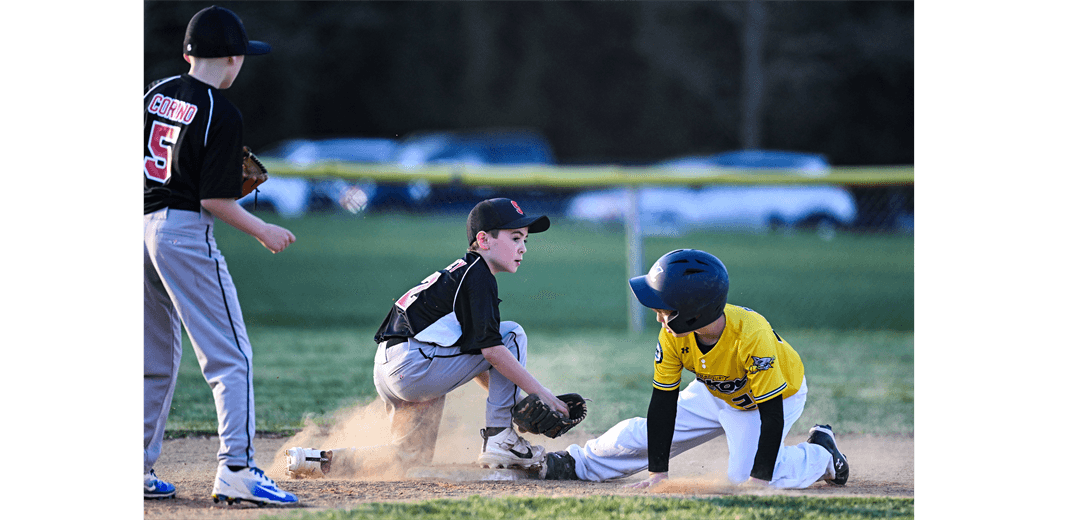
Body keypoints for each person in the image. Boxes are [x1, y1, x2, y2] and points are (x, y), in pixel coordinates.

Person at [285, 198, 569, 478]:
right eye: (515, 237)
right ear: (484, 240)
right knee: (511, 334)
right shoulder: (479, 276)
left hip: (393, 367)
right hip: (415, 365)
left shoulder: (461, 273)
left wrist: (513, 399)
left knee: (409, 456)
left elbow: (474, 359)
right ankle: (501, 439)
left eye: (525, 240)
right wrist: (542, 395)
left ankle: (316, 461)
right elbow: (492, 353)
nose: (523, 247)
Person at [142, 6, 299, 505]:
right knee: (231, 356)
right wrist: (263, 230)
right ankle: (237, 469)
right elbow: (213, 199)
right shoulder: (220, 112)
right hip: (182, 234)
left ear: (187, 53)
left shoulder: (155, 93)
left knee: (154, 358)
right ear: (232, 58)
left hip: (139, 228)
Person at [538, 249, 849, 489]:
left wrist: (759, 481)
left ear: (692, 314)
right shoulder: (674, 334)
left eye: (664, 310)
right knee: (641, 433)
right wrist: (658, 474)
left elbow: (772, 415)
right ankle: (576, 463)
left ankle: (822, 455)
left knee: (749, 478)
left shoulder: (752, 335)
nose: (658, 318)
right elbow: (663, 404)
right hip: (714, 388)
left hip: (772, 398)